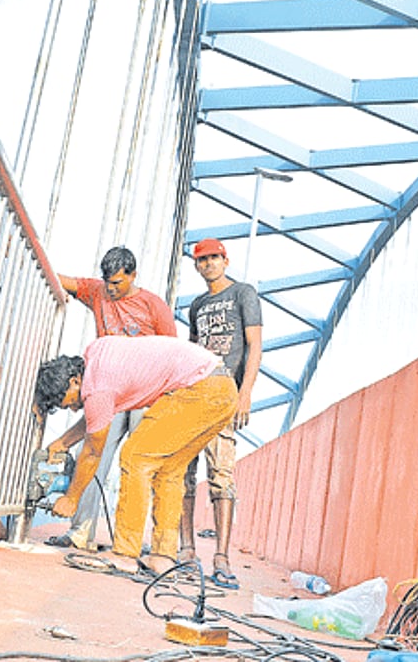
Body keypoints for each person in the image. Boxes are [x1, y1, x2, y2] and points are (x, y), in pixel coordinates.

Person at [33, 335, 237, 574]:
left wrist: (71, 499)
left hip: (198, 389)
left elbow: (92, 451)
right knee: (169, 471)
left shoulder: (97, 386)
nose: (73, 408)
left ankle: (124, 553)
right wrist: (63, 443)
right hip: (223, 389)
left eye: (69, 403)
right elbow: (96, 418)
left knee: (135, 457)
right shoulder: (97, 358)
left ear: (75, 380)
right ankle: (163, 556)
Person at [44, 246, 176, 550]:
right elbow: (60, 278)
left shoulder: (153, 305)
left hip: (145, 394)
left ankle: (134, 541)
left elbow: (170, 352)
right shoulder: (98, 292)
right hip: (109, 391)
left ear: (133, 275)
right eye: (108, 282)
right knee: (92, 455)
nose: (112, 289)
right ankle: (80, 533)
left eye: (117, 282)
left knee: (139, 463)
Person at [179, 238, 262, 589]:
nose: (208, 264)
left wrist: (245, 394)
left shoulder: (243, 294)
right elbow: (192, 350)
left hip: (225, 394)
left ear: (225, 260)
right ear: (196, 266)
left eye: (214, 258)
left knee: (221, 475)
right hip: (195, 394)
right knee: (183, 471)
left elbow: (254, 345)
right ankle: (186, 551)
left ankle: (221, 558)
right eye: (202, 260)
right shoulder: (197, 305)